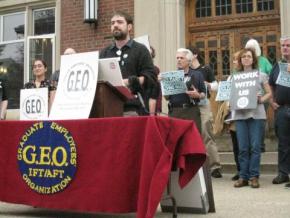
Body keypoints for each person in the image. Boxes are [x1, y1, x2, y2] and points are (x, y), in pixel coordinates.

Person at [99, 11, 158, 116]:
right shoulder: (104, 52)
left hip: (132, 108)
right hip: (108, 108)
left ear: (129, 27)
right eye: (112, 23)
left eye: (120, 22)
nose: (115, 25)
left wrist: (128, 82)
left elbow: (151, 77)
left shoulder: (140, 50)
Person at [231, 48, 271, 188]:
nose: (246, 59)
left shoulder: (261, 75)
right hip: (240, 115)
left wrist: (261, 100)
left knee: (255, 147)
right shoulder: (235, 77)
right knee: (242, 147)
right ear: (240, 60)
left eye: (249, 56)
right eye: (243, 57)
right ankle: (243, 176)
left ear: (253, 59)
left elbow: (269, 93)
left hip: (256, 114)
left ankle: (254, 176)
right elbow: (229, 94)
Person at [189, 46, 222, 178]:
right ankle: (197, 167)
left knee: (207, 134)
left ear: (195, 55)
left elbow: (216, 86)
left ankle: (215, 166)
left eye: (187, 55)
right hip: (189, 106)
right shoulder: (186, 71)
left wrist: (205, 84)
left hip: (203, 104)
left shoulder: (205, 69)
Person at [162, 48, 205, 132]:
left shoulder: (197, 74)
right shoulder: (170, 76)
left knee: (193, 140)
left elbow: (204, 93)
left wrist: (198, 95)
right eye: (177, 58)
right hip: (175, 112)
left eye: (181, 58)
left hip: (191, 111)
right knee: (176, 141)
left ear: (188, 61)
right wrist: (163, 86)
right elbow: (167, 98)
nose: (178, 60)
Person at [269, 36, 290, 188]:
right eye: (283, 45)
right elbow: (270, 84)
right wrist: (272, 101)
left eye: (288, 45)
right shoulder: (278, 65)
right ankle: (283, 173)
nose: (285, 48)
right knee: (283, 143)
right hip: (282, 109)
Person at [245, 38, 273, 152]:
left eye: (252, 49)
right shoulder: (245, 61)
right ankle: (251, 145)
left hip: (261, 97)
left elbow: (271, 75)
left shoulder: (264, 61)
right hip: (246, 97)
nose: (250, 51)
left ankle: (260, 145)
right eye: (248, 49)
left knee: (260, 121)